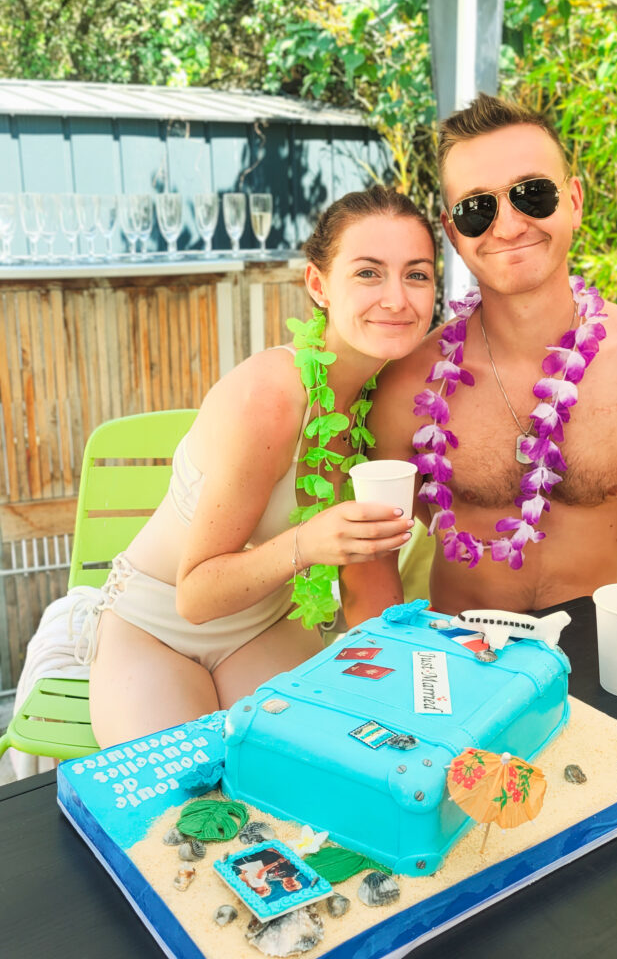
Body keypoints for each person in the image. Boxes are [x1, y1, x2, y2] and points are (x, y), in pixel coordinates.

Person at [342, 94, 617, 699]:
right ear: (454, 233)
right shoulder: (403, 385)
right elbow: (370, 570)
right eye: (478, 209)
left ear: (575, 200)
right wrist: (399, 686)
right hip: (456, 672)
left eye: (532, 193)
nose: (509, 224)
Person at [89, 186, 436, 746]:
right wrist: (308, 544)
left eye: (416, 275)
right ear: (318, 285)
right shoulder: (270, 397)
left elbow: (369, 577)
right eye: (369, 273)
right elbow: (195, 596)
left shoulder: (390, 402)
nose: (396, 298)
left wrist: (411, 694)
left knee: (321, 770)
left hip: (266, 624)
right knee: (188, 795)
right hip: (158, 628)